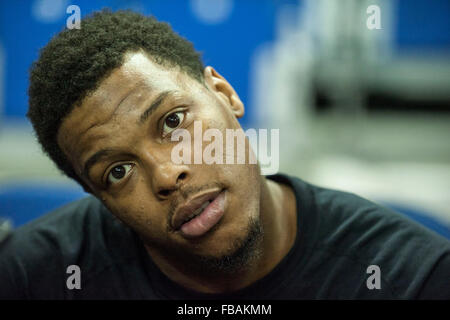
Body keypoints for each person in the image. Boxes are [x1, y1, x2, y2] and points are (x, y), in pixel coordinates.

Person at [0, 9, 449, 300]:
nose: (167, 174)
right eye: (118, 171)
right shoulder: (29, 279)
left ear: (225, 93)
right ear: (99, 199)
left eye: (173, 121)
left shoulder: (412, 279)